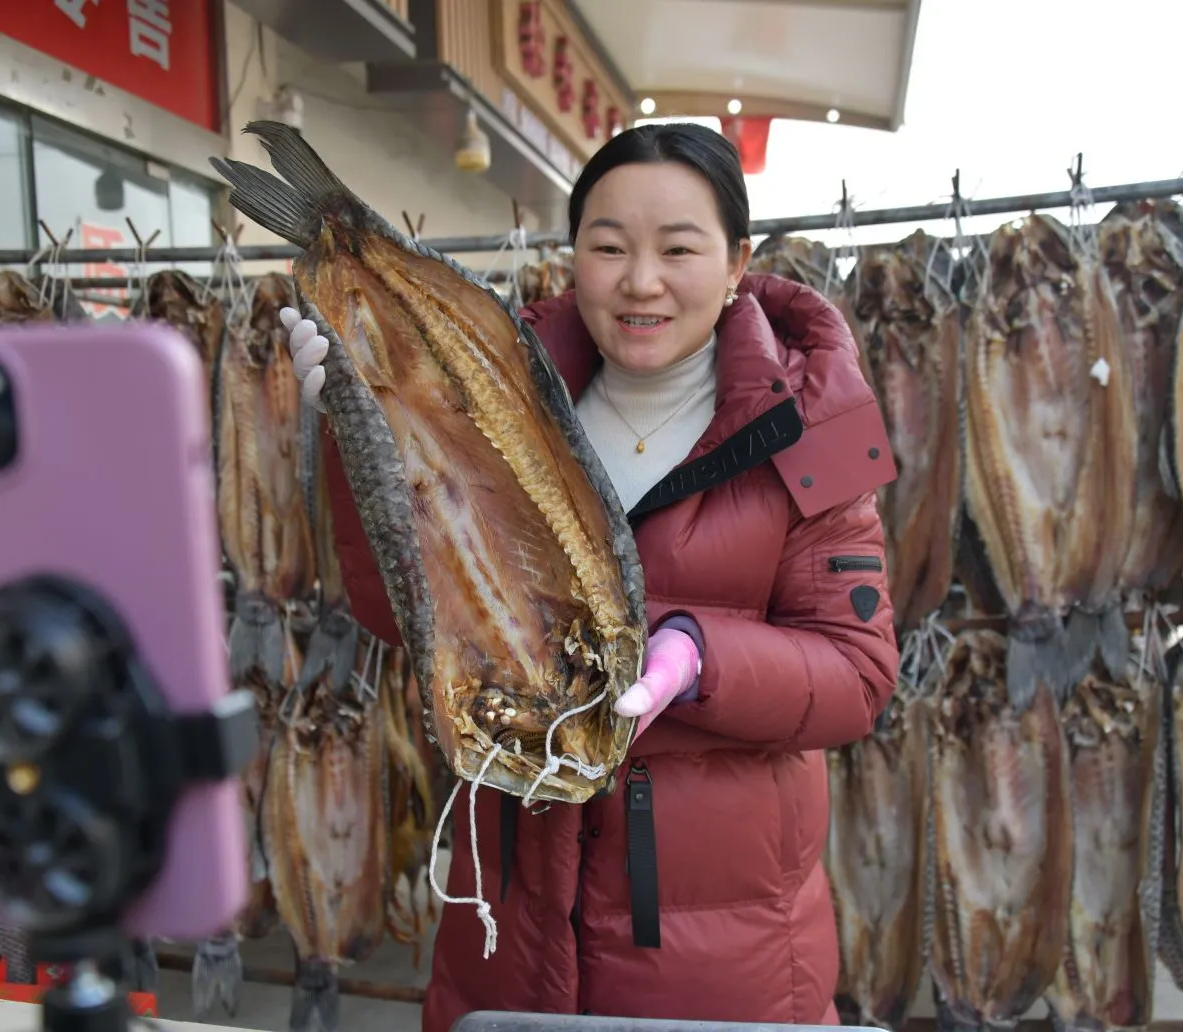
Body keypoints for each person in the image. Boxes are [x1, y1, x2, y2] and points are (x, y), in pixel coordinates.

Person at [279, 121, 900, 1031]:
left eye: (678, 249)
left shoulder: (811, 425)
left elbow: (858, 676)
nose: (641, 281)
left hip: (720, 961)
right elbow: (393, 614)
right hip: (510, 934)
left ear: (738, 261)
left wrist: (699, 656)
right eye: (609, 247)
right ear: (575, 257)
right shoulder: (489, 391)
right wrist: (356, 438)